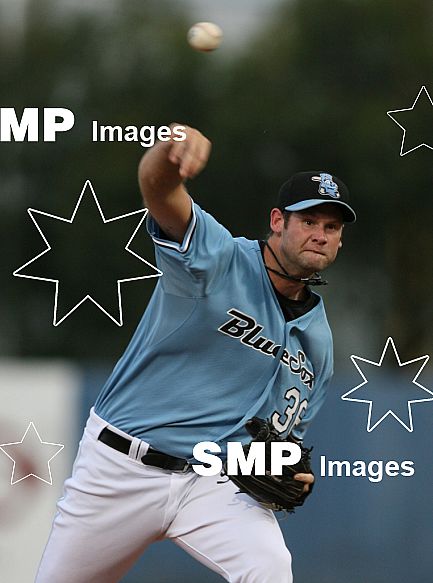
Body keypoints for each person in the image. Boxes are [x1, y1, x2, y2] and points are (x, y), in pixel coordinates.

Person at [36, 125, 356, 583]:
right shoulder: (217, 257)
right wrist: (168, 155)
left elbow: (280, 440)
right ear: (278, 221)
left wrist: (282, 466)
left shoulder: (318, 340)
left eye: (332, 227)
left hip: (213, 481)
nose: (321, 235)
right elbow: (158, 189)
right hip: (122, 466)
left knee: (270, 568)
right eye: (309, 221)